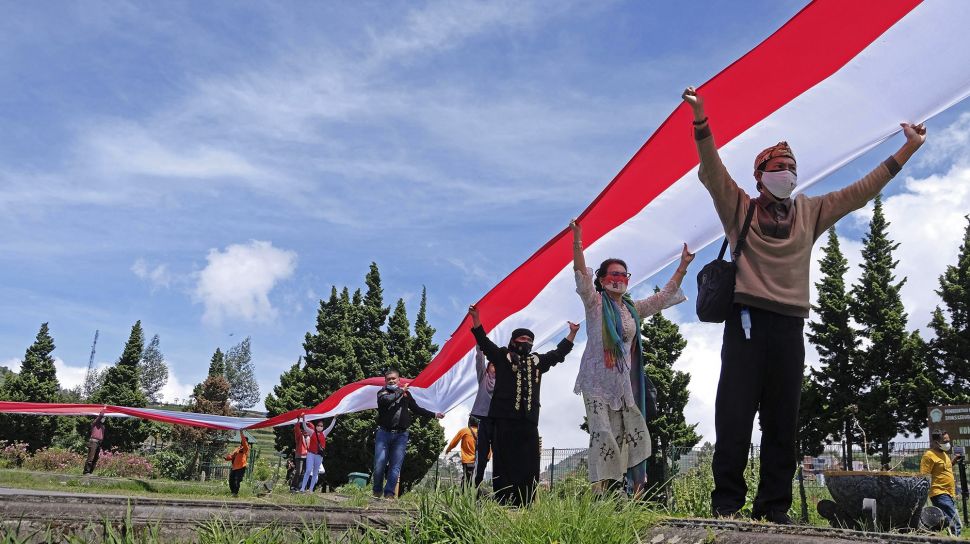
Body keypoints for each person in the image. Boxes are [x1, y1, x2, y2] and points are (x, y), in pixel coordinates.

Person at [682, 86, 927, 523]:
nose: (787, 174)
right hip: (745, 323)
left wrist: (906, 150)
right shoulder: (739, 207)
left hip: (790, 327)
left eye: (792, 168)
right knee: (734, 418)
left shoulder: (811, 211)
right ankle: (727, 507)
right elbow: (712, 168)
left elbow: (860, 191)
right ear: (759, 176)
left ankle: (774, 508)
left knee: (782, 423)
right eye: (778, 168)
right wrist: (701, 119)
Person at [570, 220, 693, 495]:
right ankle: (599, 492)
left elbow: (663, 298)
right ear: (601, 280)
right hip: (596, 382)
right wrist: (577, 240)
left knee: (627, 433)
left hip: (622, 383)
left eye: (624, 275)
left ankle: (625, 491)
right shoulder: (595, 303)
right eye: (613, 274)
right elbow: (580, 274)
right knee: (602, 433)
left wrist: (683, 266)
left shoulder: (632, 309)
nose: (618, 278)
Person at [468, 304, 579, 506]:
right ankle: (504, 502)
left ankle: (525, 503)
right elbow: (484, 343)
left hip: (528, 421)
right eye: (522, 339)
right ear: (513, 341)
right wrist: (476, 319)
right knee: (503, 462)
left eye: (529, 340)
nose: (526, 342)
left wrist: (572, 334)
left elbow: (557, 354)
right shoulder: (502, 356)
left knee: (528, 463)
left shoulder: (537, 361)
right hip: (503, 420)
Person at [373, 370, 444, 499]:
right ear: (385, 381)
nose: (391, 381)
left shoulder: (406, 394)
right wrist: (401, 391)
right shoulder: (382, 393)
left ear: (399, 380)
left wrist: (434, 414)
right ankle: (377, 490)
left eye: (394, 378)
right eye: (388, 379)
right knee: (379, 463)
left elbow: (416, 409)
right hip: (384, 434)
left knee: (395, 466)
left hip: (401, 435)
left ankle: (389, 494)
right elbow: (388, 400)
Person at [921, 431, 963, 536]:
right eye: (945, 441)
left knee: (948, 519)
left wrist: (954, 461)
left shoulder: (943, 454)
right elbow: (923, 475)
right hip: (938, 492)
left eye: (948, 440)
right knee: (955, 521)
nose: (948, 442)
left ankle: (939, 534)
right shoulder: (929, 456)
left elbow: (945, 469)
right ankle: (955, 539)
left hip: (949, 492)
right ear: (936, 442)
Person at [470, 346, 496, 486]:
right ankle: (477, 483)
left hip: (498, 420)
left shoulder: (503, 382)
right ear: (488, 367)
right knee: (482, 452)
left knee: (499, 453)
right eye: (492, 365)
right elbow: (479, 360)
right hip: (484, 420)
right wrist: (480, 345)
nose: (495, 367)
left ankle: (499, 486)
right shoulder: (483, 378)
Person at [299, 415, 337, 493]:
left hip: (319, 455)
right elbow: (305, 427)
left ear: (323, 427)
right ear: (316, 426)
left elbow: (331, 426)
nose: (319, 427)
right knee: (308, 470)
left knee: (315, 472)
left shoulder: (324, 433)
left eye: (321, 426)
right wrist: (303, 419)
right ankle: (302, 488)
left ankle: (311, 489)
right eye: (318, 425)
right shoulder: (312, 432)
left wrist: (334, 418)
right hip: (311, 454)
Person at [446, 416, 480, 487]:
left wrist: (448, 449)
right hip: (479, 461)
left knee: (466, 480)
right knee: (475, 479)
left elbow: (454, 442)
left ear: (469, 422)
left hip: (468, 460)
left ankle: (465, 495)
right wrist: (488, 457)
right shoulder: (482, 432)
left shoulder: (465, 431)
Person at [225, 431, 250, 497]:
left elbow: (245, 442)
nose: (243, 441)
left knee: (237, 480)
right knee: (231, 480)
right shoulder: (237, 448)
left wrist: (241, 433)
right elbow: (232, 456)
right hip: (234, 467)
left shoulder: (246, 448)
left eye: (244, 441)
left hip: (241, 467)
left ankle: (235, 493)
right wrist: (227, 458)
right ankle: (232, 492)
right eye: (242, 440)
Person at [82, 408, 106, 475]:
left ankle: (90, 472)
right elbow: (100, 416)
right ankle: (86, 472)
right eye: (103, 417)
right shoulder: (95, 423)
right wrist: (104, 409)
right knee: (91, 458)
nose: (104, 419)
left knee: (95, 458)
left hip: (98, 443)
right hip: (93, 442)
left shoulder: (102, 426)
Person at [290, 415, 310, 491]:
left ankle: (300, 487)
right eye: (304, 429)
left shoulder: (309, 436)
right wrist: (299, 420)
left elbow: (312, 427)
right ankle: (293, 486)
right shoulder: (299, 436)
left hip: (307, 456)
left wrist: (307, 422)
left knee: (304, 473)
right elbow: (296, 428)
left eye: (306, 429)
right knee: (299, 471)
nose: (305, 430)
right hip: (299, 456)